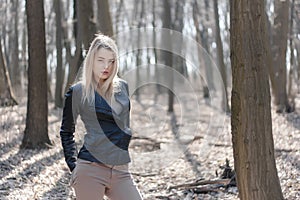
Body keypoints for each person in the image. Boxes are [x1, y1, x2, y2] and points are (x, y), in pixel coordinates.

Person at [60, 34, 143, 200]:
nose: (106, 66)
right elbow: (66, 132)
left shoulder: (123, 88)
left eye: (111, 61)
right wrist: (74, 166)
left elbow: (123, 126)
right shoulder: (77, 92)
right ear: (91, 60)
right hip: (90, 169)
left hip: (120, 170)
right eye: (101, 60)